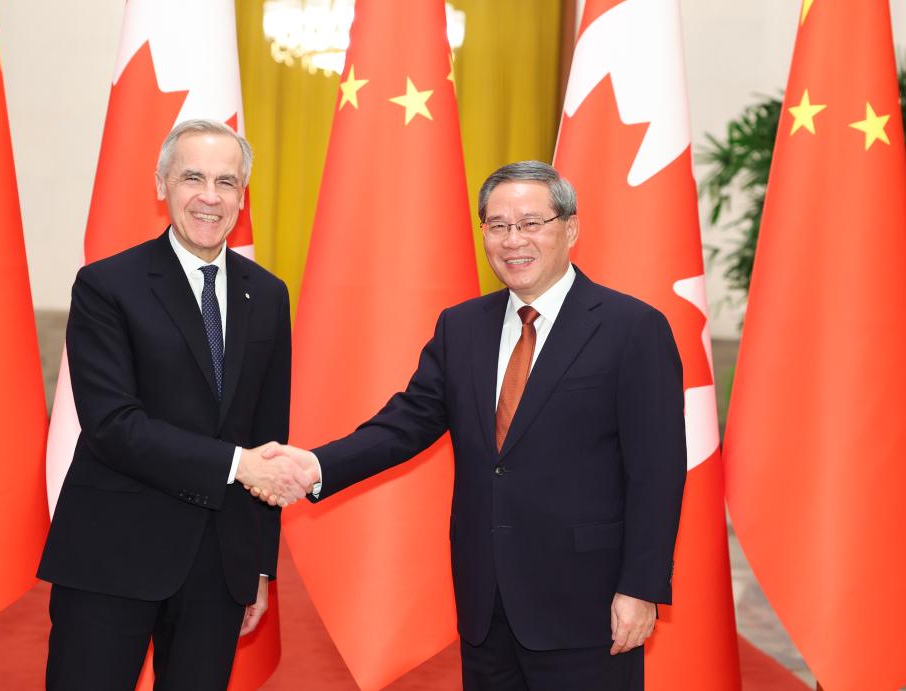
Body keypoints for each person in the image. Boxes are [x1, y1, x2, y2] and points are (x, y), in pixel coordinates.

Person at [258, 161, 687, 690]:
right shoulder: (461, 327)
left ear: (570, 229)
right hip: (488, 603)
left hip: (590, 605)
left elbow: (658, 472)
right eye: (498, 225)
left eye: (532, 223)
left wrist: (640, 587)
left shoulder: (633, 328)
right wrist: (316, 465)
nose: (514, 240)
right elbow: (405, 425)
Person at [38, 119, 314, 691]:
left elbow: (269, 431)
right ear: (162, 184)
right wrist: (236, 466)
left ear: (242, 195)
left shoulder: (267, 294)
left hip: (218, 564)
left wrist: (258, 566)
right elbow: (114, 426)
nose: (210, 197)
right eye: (193, 178)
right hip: (112, 553)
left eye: (227, 182)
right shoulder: (106, 285)